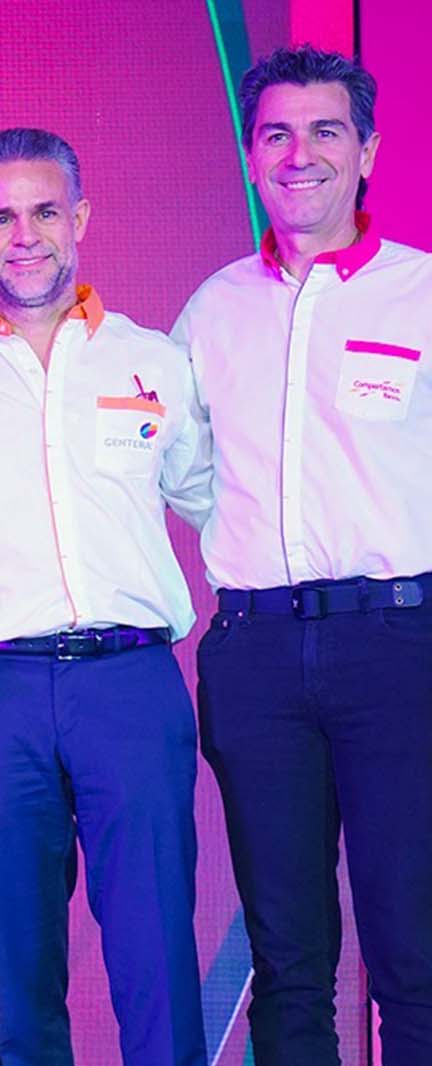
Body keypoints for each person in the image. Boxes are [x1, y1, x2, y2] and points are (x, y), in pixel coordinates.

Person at [0, 129, 213, 1065]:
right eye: (1, 217)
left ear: (80, 219)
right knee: (21, 962)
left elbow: (217, 502)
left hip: (131, 684)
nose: (24, 235)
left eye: (44, 211)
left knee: (157, 947)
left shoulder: (155, 361)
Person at [173, 46, 432, 1063]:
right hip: (255, 654)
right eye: (276, 133)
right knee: (286, 953)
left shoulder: (420, 294)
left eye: (325, 131)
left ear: (366, 151)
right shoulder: (212, 309)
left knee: (411, 946)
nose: (299, 154)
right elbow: (181, 466)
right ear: (249, 157)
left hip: (396, 646)